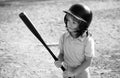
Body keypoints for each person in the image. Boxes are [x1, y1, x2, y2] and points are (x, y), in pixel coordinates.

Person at [54, 3, 95, 78]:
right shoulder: (64, 37)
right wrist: (59, 60)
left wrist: (74, 72)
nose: (69, 24)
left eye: (74, 22)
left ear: (82, 25)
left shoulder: (87, 41)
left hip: (81, 73)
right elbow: (62, 53)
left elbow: (88, 62)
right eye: (68, 20)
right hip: (67, 71)